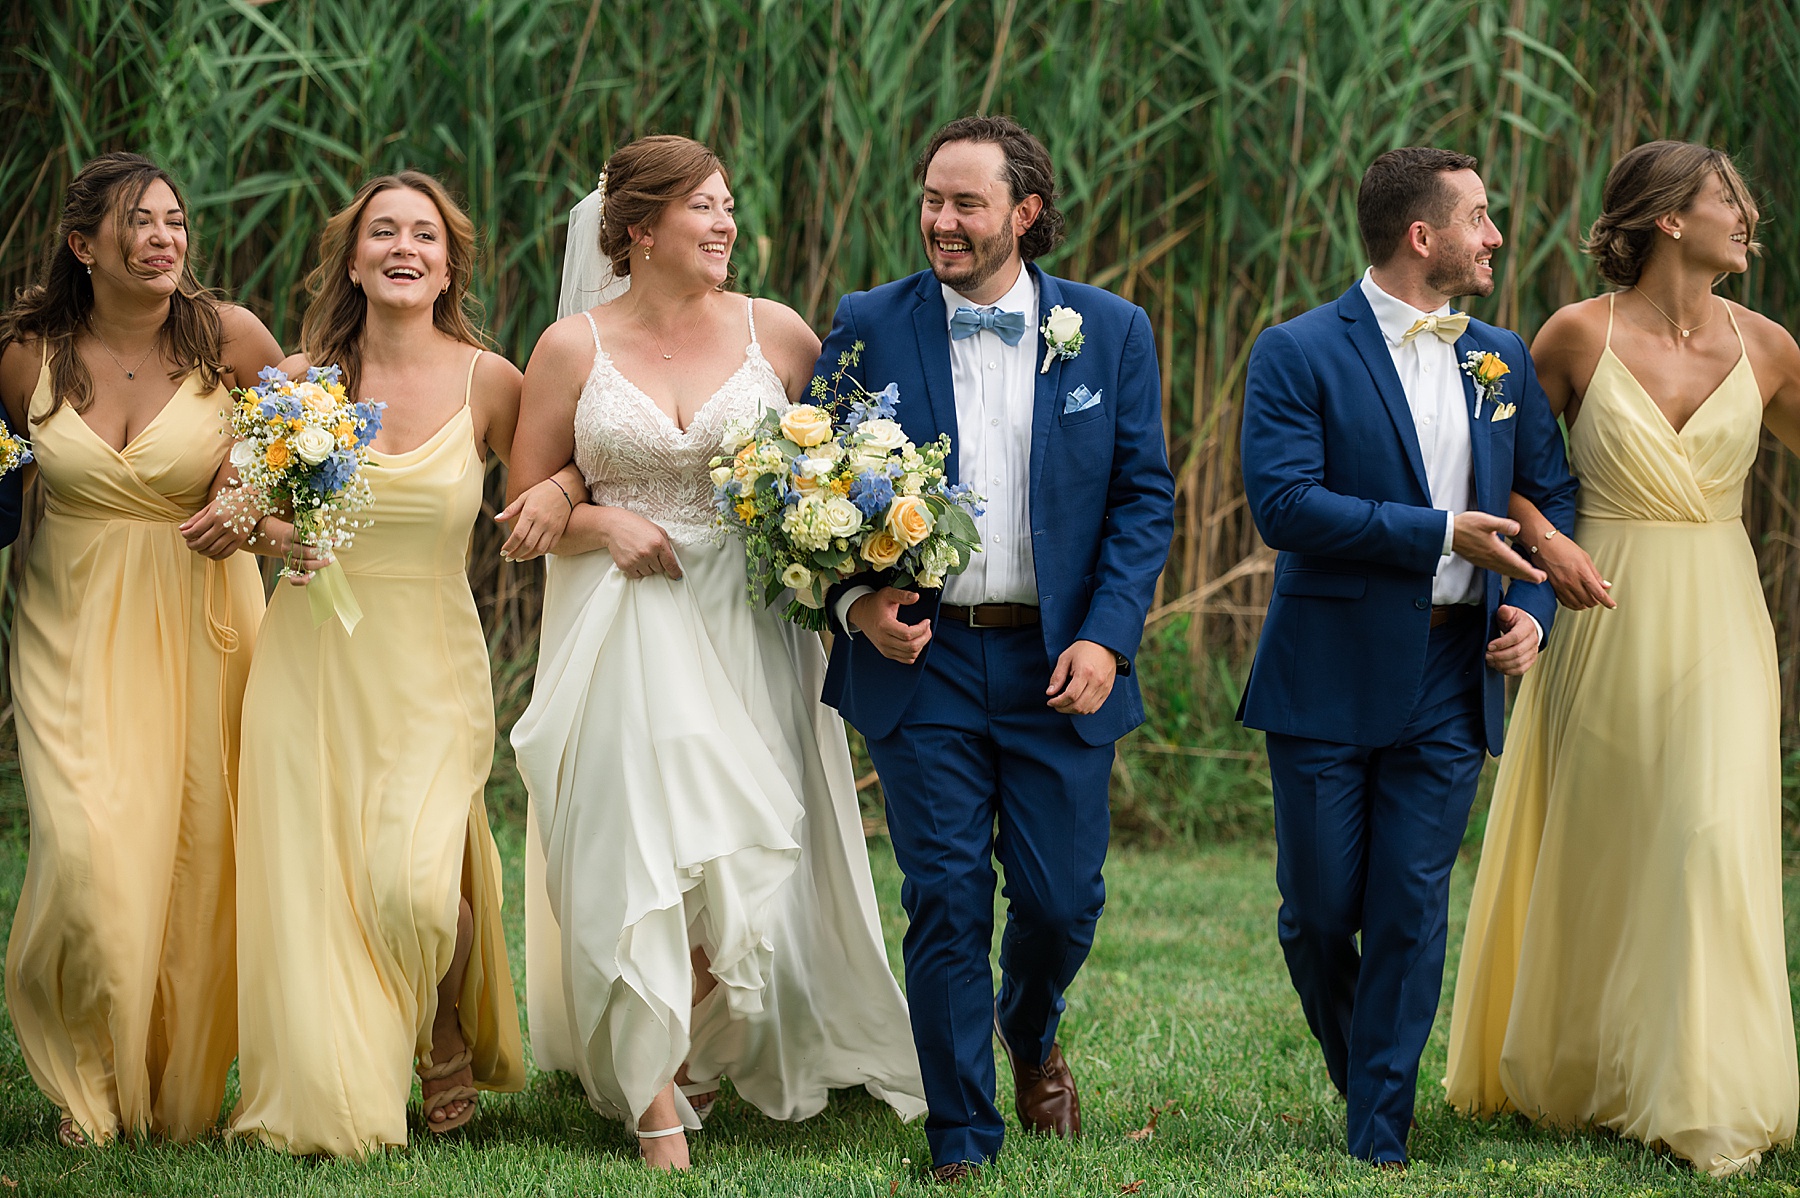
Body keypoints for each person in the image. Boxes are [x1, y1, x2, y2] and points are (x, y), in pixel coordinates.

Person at [508, 134, 927, 1172]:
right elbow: (522, 506)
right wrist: (597, 519)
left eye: (729, 206)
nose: (726, 224)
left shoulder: (776, 335)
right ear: (638, 229)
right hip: (623, 618)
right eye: (703, 208)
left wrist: (863, 586)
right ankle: (653, 1100)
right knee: (637, 841)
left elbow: (831, 480)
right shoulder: (571, 348)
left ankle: (685, 1045)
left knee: (737, 849)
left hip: (749, 621)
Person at [818, 114, 1175, 1181]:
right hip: (920, 661)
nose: (942, 220)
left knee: (1064, 900)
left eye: (967, 203)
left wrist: (1111, 636)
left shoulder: (1109, 331)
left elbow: (1143, 498)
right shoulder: (868, 323)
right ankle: (963, 1136)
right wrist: (855, 603)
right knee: (945, 894)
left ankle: (1031, 1026)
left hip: (1057, 662)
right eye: (932, 198)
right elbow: (809, 487)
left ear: (1024, 212)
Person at [1445, 141, 1800, 1177]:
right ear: (1669, 221)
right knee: (1612, 837)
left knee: (1709, 832)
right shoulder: (1572, 336)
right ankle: (1591, 1067)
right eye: (1728, 199)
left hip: (1724, 616)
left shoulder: (1771, 347)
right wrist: (1547, 548)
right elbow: (1498, 468)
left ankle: (1704, 1090)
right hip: (1598, 612)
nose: (1749, 218)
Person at [1236, 147, 1578, 1169]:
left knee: (1410, 905)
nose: (1496, 236)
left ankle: (1377, 1129)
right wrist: (1438, 533)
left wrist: (1527, 604)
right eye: (1479, 217)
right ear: (1422, 236)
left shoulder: (1504, 358)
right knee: (1318, 912)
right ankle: (1368, 1071)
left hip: (1450, 669)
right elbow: (1284, 505)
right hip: (1327, 669)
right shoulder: (1296, 351)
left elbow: (1546, 498)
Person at [229, 171, 576, 1155]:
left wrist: (567, 490)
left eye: (423, 234)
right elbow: (251, 503)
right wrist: (273, 533)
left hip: (431, 665)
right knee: (318, 878)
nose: (403, 246)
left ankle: (447, 1021)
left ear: (447, 265)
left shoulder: (490, 381)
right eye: (383, 231)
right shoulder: (301, 382)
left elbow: (556, 472)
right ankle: (357, 1066)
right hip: (308, 660)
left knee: (416, 882)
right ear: (354, 259)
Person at [0, 151, 278, 1145]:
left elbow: (314, 455)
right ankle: (86, 1076)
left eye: (175, 220)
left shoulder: (230, 339)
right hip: (68, 629)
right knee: (86, 851)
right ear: (84, 245)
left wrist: (249, 496)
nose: (165, 238)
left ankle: (165, 1083)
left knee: (194, 855)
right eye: (139, 223)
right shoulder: (26, 355)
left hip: (203, 622)